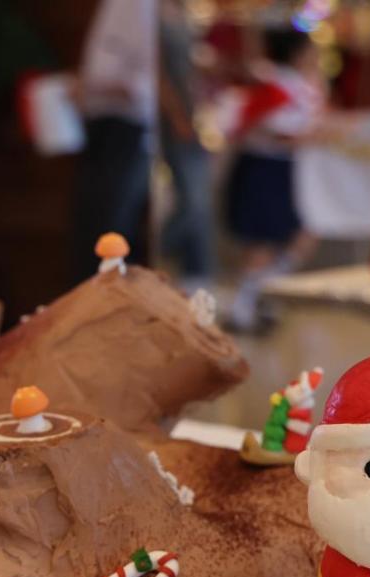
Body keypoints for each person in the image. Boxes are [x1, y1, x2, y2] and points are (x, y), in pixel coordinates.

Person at [223, 26, 327, 331]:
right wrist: (315, 136)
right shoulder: (274, 85)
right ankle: (244, 306)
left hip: (288, 169)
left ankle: (262, 296)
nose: (315, 56)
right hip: (266, 168)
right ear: (296, 53)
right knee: (262, 242)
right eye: (310, 50)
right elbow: (272, 129)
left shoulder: (297, 85)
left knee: (299, 235)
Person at [70, 0, 157, 283]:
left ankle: (115, 301)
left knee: (112, 223)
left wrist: (95, 84)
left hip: (127, 128)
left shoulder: (142, 5)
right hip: (102, 124)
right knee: (92, 223)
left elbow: (147, 82)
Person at [158, 0, 214, 292]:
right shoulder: (153, 14)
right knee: (193, 200)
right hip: (174, 118)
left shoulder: (183, 11)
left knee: (200, 197)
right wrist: (177, 115)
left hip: (195, 114)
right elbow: (158, 73)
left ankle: (197, 272)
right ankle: (155, 252)